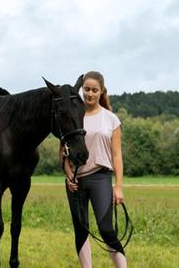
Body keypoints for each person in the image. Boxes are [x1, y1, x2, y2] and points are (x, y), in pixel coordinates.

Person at [63, 70, 127, 268]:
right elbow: (63, 152)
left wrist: (118, 186)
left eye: (94, 90)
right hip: (76, 181)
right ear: (82, 90)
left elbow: (117, 155)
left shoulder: (111, 119)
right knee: (81, 231)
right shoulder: (74, 115)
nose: (89, 94)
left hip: (100, 178)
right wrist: (67, 176)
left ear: (101, 91)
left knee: (107, 230)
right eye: (86, 89)